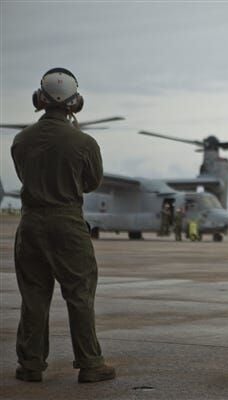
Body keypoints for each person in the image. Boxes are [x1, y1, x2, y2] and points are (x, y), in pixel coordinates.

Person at [11, 68, 116, 383]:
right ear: (76, 102)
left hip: (30, 222)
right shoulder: (84, 142)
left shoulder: (20, 140)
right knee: (79, 293)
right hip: (67, 222)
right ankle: (90, 363)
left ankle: (30, 364)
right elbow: (92, 182)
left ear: (40, 99)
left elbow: (21, 175)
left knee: (33, 295)